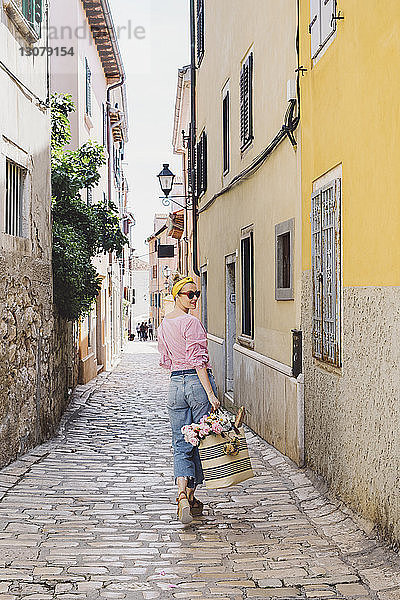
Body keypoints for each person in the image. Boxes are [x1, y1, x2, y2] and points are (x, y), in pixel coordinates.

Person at [157, 275, 220, 524]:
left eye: (197, 294)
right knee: (199, 439)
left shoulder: (163, 325)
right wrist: (211, 394)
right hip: (195, 383)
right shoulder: (190, 323)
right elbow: (198, 361)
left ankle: (183, 495)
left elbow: (166, 360)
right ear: (177, 295)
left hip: (174, 385)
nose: (194, 298)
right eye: (189, 294)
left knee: (180, 441)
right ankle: (191, 494)